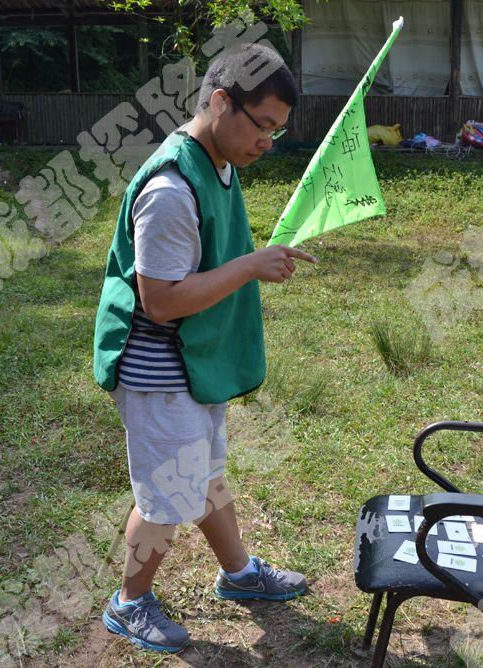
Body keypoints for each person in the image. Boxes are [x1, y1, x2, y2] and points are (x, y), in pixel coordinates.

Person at [91, 41, 317, 653]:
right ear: (220, 102)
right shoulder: (170, 188)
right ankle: (129, 602)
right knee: (165, 496)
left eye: (276, 130)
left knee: (206, 473)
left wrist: (249, 263)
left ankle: (238, 573)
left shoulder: (218, 161)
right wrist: (250, 266)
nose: (267, 142)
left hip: (196, 360)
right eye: (262, 125)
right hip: (159, 367)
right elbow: (161, 301)